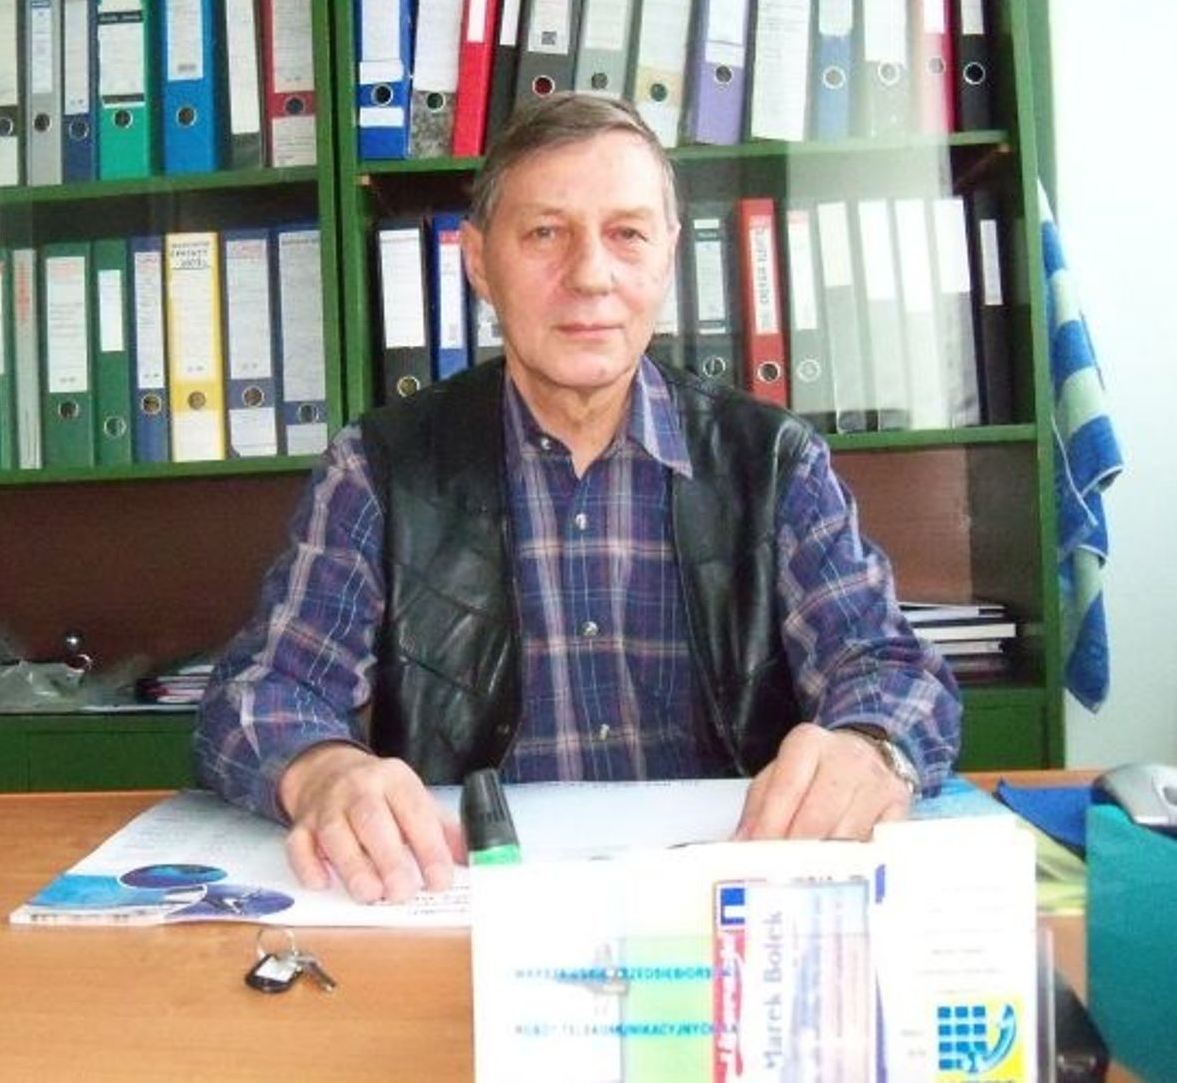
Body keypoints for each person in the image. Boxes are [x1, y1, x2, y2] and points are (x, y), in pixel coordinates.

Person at [195, 92, 961, 905]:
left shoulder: (772, 462)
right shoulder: (380, 468)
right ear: (479, 262)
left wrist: (870, 745)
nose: (591, 275)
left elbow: (890, 669)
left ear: (668, 255)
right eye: (545, 234)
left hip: (723, 913)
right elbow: (262, 694)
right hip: (470, 910)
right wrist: (323, 770)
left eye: (627, 234)